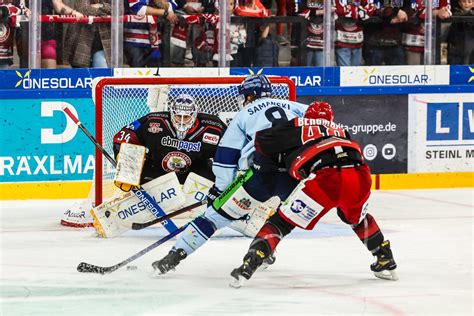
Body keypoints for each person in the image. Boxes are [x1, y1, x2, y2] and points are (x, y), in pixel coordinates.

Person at [151, 74, 308, 276]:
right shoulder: (297, 107)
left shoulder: (245, 114)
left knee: (213, 217)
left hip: (260, 175)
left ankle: (173, 257)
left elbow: (226, 158)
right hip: (297, 175)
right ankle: (265, 250)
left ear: (249, 96)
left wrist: (219, 190)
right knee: (344, 208)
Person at [230, 101, 398, 288]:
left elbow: (262, 141)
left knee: (281, 223)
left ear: (307, 116)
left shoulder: (299, 124)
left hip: (326, 178)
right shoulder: (341, 130)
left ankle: (252, 261)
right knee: (355, 217)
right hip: (360, 175)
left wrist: (274, 161)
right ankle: (385, 257)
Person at [60, 94, 226, 227]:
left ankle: (229, 211)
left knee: (222, 177)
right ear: (171, 113)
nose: (181, 121)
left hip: (196, 171)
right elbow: (122, 137)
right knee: (130, 166)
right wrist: (126, 168)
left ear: (194, 115)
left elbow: (233, 149)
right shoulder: (154, 121)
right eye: (178, 116)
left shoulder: (214, 127)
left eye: (186, 117)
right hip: (158, 170)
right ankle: (113, 209)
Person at [63, 0, 111, 68]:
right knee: (81, 76)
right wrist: (104, 11)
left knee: (101, 75)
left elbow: (117, 10)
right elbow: (84, 9)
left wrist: (101, 6)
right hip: (81, 44)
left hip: (104, 45)